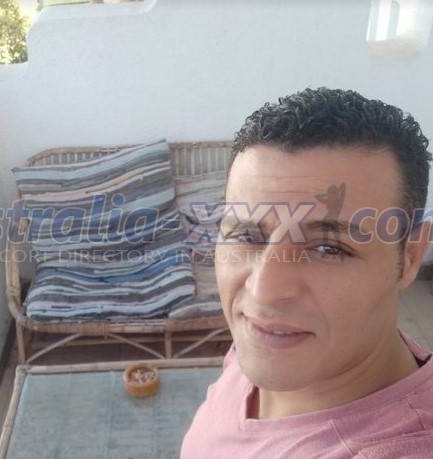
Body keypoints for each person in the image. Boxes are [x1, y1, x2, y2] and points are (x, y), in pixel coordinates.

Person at [181, 87, 433, 458]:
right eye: (247, 235)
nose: (263, 291)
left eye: (328, 248)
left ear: (410, 257)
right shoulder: (273, 338)